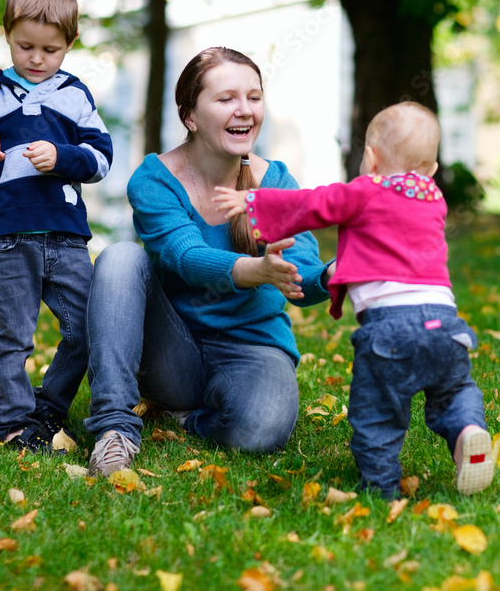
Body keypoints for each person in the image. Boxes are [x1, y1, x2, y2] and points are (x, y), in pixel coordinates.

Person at [214, 101, 494, 498]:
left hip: (391, 330)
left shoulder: (365, 191)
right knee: (454, 391)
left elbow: (313, 204)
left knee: (376, 412)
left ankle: (381, 489)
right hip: (446, 326)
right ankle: (467, 431)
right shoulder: (434, 199)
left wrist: (253, 203)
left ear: (371, 159)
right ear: (431, 169)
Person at [83, 46, 334, 477]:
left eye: (254, 97)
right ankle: (114, 429)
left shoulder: (275, 181)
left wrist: (330, 275)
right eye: (226, 98)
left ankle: (190, 419)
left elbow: (302, 272)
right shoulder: (155, 179)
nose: (245, 110)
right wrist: (255, 270)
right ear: (190, 117)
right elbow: (185, 256)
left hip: (252, 346)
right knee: (120, 258)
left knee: (259, 431)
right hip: (171, 349)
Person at [0, 0, 112, 453]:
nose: (37, 58)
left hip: (65, 233)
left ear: (70, 44)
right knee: (13, 336)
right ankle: (16, 426)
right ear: (7, 35)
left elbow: (100, 158)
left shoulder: (75, 95)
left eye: (50, 50)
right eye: (25, 47)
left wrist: (62, 157)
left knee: (86, 329)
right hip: (7, 233)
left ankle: (48, 408)